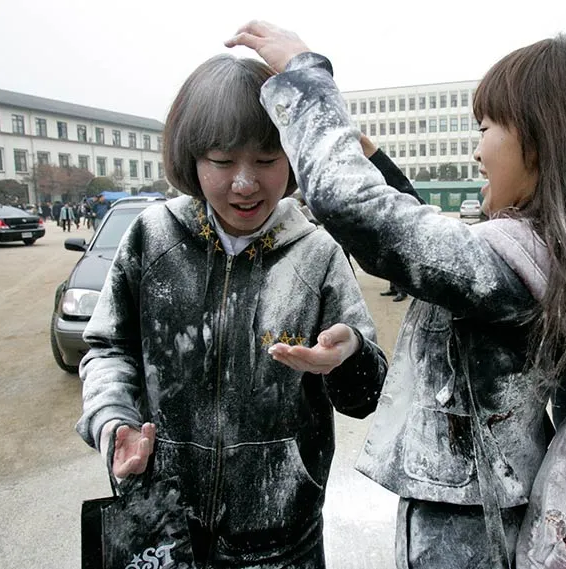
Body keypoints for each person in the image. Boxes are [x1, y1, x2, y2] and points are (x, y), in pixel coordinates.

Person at [227, 22, 566, 567]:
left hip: (473, 529)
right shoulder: (565, 255)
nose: (477, 152)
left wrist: (306, 78)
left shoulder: (517, 268)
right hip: (494, 502)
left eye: (486, 128)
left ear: (542, 142)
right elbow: (439, 254)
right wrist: (376, 159)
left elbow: (365, 216)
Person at [76, 53, 389, 568]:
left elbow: (366, 397)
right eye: (222, 162)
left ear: (292, 158)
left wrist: (349, 355)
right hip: (159, 524)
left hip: (281, 537)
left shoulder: (317, 254)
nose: (245, 184)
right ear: (192, 160)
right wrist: (114, 423)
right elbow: (109, 349)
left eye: (266, 160)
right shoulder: (152, 239)